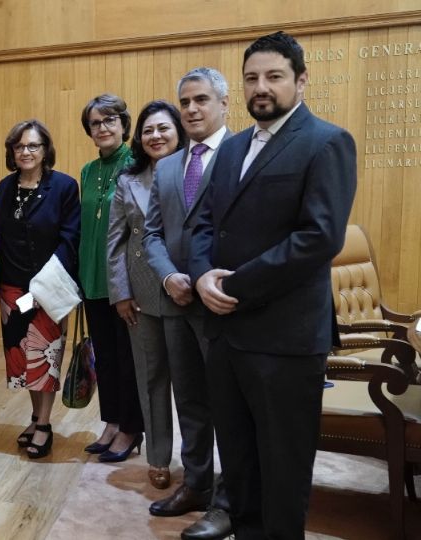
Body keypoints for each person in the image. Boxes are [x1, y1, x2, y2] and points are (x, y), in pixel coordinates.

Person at [190, 31, 356, 539]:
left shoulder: (327, 141)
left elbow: (318, 237)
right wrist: (200, 277)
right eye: (252, 78)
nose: (261, 87)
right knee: (238, 464)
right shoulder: (232, 146)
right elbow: (203, 223)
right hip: (225, 335)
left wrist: (234, 284)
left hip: (284, 339)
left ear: (301, 80)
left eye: (274, 76)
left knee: (282, 471)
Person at [143, 67, 233, 539]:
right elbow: (152, 233)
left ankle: (229, 498)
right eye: (185, 102)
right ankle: (196, 483)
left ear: (223, 103)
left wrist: (206, 280)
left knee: (229, 405)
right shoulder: (169, 167)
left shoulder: (242, 155)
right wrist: (169, 275)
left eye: (201, 99)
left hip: (223, 304)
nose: (192, 109)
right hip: (176, 299)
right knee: (190, 401)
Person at [107, 100, 186, 483]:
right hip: (141, 296)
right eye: (148, 130)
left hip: (187, 293)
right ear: (139, 138)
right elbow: (114, 242)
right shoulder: (128, 180)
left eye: (163, 128)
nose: (156, 136)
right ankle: (157, 458)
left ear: (178, 131)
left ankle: (198, 462)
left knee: (190, 383)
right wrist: (120, 293)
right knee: (150, 378)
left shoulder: (196, 170)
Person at [0, 119, 80, 459]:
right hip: (12, 288)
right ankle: (35, 417)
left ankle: (44, 425)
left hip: (50, 286)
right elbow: (1, 238)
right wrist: (3, 289)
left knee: (46, 359)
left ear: (46, 151)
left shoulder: (63, 186)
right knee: (23, 363)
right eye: (19, 146)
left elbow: (71, 236)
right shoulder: (5, 187)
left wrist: (43, 283)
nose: (25, 152)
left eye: (33, 146)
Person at [76, 95, 144, 463]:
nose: (102, 128)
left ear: (123, 124)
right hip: (91, 278)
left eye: (109, 121)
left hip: (124, 282)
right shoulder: (87, 171)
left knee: (128, 359)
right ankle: (113, 421)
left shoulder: (136, 164)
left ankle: (132, 428)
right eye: (95, 123)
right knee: (105, 357)